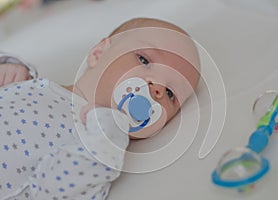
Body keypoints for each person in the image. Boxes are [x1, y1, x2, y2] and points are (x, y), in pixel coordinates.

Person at [0, 17, 200, 199]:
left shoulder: (99, 149)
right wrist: (10, 66)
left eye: (170, 93)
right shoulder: (29, 83)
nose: (157, 89)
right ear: (98, 53)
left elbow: (53, 190)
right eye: (144, 60)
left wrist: (107, 138)